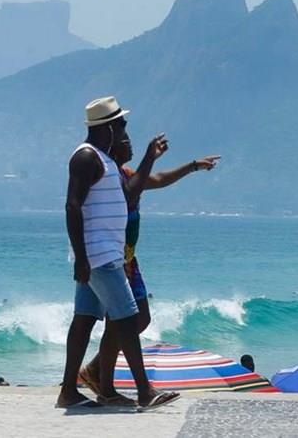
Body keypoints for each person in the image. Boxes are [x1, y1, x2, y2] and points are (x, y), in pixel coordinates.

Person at [55, 97, 177, 410]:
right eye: (120, 124)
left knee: (84, 320)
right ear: (107, 127)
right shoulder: (86, 157)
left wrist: (149, 158)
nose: (124, 130)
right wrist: (81, 257)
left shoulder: (105, 161)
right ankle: (144, 391)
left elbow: (128, 194)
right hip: (99, 256)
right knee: (127, 318)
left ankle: (68, 391)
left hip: (103, 254)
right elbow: (72, 205)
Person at [83, 131, 220, 402]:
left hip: (128, 259)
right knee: (120, 322)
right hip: (113, 258)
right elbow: (130, 193)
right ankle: (106, 385)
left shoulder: (125, 173)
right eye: (126, 142)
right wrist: (150, 158)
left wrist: (192, 166)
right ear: (114, 148)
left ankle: (96, 371)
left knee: (138, 319)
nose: (130, 145)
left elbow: (157, 179)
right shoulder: (110, 179)